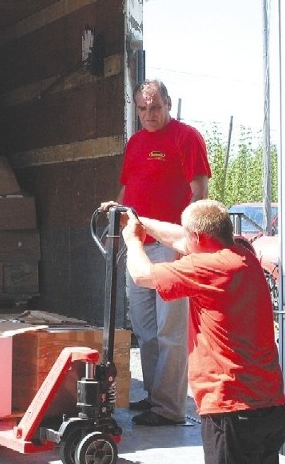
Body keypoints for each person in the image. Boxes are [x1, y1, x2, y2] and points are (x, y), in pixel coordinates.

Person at [122, 199, 285, 464]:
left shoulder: (207, 269)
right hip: (271, 409)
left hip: (231, 411)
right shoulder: (243, 253)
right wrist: (138, 219)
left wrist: (133, 240)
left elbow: (142, 275)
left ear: (198, 237)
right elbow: (181, 238)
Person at [102, 79, 211, 427]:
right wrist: (116, 213)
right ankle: (154, 397)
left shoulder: (185, 137)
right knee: (146, 330)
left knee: (171, 331)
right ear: (136, 109)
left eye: (156, 107)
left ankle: (170, 408)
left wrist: (186, 240)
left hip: (170, 247)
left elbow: (200, 191)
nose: (149, 114)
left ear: (168, 106)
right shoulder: (135, 143)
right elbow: (127, 185)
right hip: (138, 246)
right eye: (143, 108)